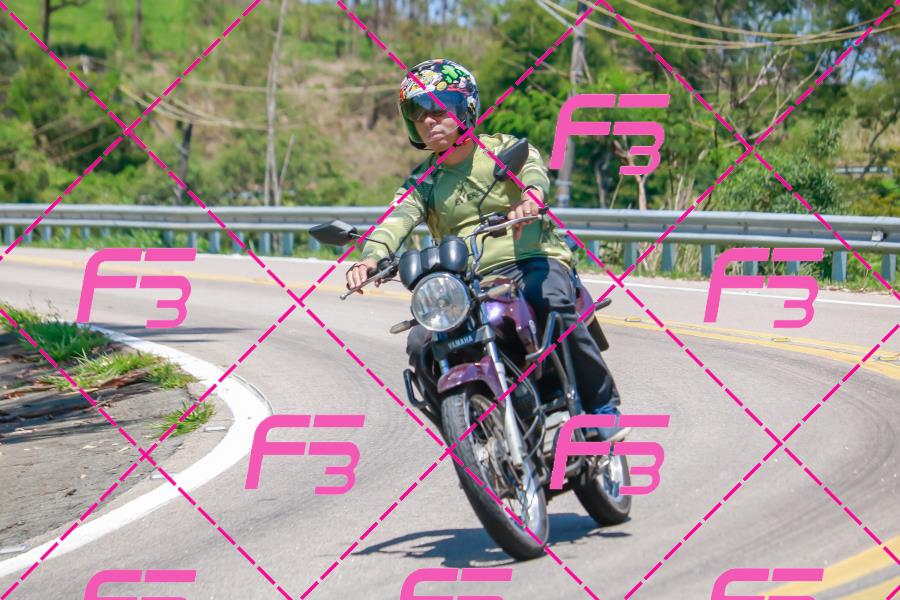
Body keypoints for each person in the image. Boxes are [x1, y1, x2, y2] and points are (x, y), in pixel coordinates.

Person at [345, 59, 622, 437]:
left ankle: (601, 408)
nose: (428, 120)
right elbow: (395, 220)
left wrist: (530, 196)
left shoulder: (502, 149)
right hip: (467, 282)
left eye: (437, 108)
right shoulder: (423, 182)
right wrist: (370, 258)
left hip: (528, 260)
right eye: (417, 112)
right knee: (421, 343)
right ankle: (468, 435)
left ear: (465, 107)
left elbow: (533, 170)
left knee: (552, 302)